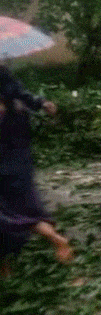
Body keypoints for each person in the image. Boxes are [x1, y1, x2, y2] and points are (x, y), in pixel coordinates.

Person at [0, 64, 73, 277]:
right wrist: (43, 104)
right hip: (22, 167)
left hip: (4, 171)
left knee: (9, 216)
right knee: (25, 211)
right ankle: (55, 240)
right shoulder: (17, 102)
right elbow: (31, 98)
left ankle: (6, 268)